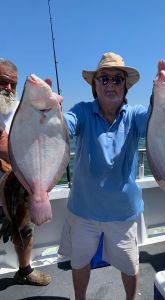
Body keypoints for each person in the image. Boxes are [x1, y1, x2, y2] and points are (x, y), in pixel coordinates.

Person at [58, 52, 150, 300]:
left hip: (123, 212)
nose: (110, 84)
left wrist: (164, 96)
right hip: (83, 210)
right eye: (104, 78)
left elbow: (156, 121)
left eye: (117, 79)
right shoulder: (82, 111)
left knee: (130, 265)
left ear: (125, 86)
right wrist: (50, 113)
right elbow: (65, 124)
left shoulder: (135, 114)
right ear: (94, 85)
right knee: (79, 262)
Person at [0, 58, 52, 286]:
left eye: (13, 84)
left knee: (24, 227)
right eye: (3, 82)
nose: (9, 89)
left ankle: (24, 271)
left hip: (19, 182)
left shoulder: (22, 107)